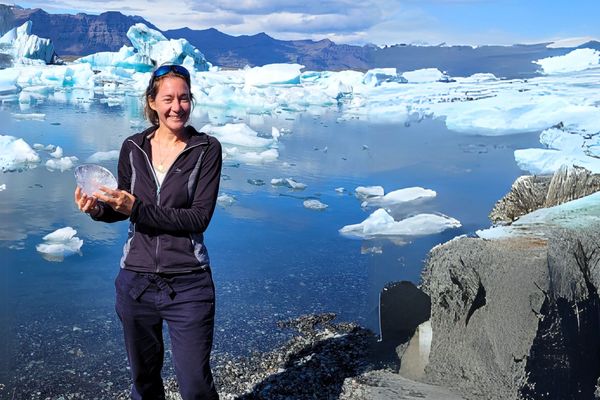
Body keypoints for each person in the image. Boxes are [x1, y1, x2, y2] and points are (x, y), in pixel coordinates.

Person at [74, 64, 222, 400]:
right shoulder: (133, 147)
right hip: (135, 283)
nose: (177, 107)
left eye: (184, 99)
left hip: (188, 283)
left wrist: (135, 208)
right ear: (152, 102)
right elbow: (121, 209)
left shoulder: (205, 149)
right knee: (143, 382)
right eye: (168, 98)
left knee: (196, 385)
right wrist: (97, 209)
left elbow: (198, 218)